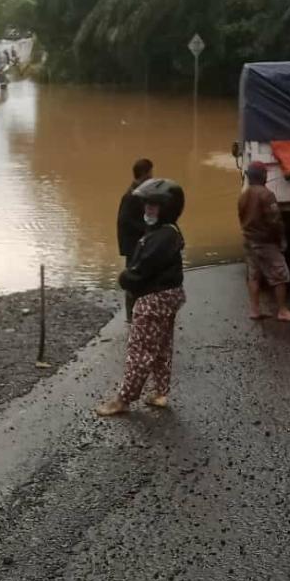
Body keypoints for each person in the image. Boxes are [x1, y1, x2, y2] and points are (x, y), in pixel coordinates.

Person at [97, 178, 185, 416]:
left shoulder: (161, 237)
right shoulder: (166, 231)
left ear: (167, 208)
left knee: (140, 350)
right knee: (162, 347)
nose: (148, 209)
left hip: (153, 298)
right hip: (168, 295)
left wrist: (125, 278)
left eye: (154, 205)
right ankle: (160, 392)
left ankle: (123, 399)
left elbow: (139, 271)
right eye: (146, 204)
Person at [237, 161, 290, 323]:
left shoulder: (243, 195)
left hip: (249, 240)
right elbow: (275, 221)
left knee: (254, 276)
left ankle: (255, 310)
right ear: (264, 176)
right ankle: (282, 311)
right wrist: (281, 240)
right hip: (265, 242)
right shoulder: (266, 195)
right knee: (280, 275)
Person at [117, 158, 153, 322]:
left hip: (137, 244)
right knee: (133, 279)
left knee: (140, 278)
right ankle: (131, 317)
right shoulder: (131, 196)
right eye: (150, 172)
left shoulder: (138, 193)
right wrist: (146, 230)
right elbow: (125, 221)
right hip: (133, 245)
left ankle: (137, 314)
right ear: (145, 174)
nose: (152, 176)